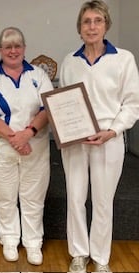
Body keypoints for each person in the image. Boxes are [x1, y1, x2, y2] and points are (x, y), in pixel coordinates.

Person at [59, 1, 139, 272]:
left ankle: (101, 259)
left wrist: (113, 131)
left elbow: (132, 103)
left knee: (103, 200)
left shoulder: (124, 59)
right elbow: (64, 103)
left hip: (109, 138)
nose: (92, 26)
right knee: (75, 197)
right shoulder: (70, 61)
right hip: (75, 141)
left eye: (97, 21)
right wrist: (66, 128)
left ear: (106, 25)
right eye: (86, 22)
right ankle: (79, 254)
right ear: (79, 28)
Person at [0, 26, 53, 265]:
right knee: (5, 197)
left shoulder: (38, 76)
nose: (13, 51)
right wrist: (16, 139)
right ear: (0, 50)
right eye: (8, 46)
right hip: (1, 149)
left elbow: (48, 108)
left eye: (17, 46)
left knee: (33, 197)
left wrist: (27, 134)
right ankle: (9, 240)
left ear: (24, 49)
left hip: (35, 147)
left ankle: (33, 243)